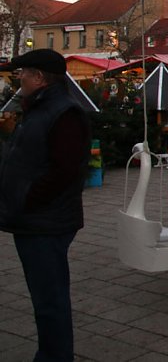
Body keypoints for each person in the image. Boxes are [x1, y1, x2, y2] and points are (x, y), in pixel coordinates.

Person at [0, 49, 91, 361]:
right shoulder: (39, 108)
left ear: (39, 77)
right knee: (45, 297)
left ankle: (54, 356)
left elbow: (65, 171)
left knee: (50, 300)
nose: (19, 79)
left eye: (23, 73)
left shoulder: (64, 113)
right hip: (35, 218)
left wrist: (27, 198)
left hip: (46, 221)